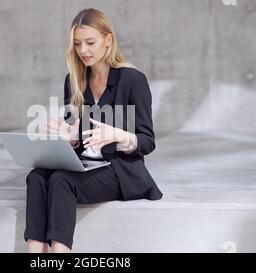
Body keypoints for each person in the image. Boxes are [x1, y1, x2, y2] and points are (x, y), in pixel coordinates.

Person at [24, 8, 163, 253]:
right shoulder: (74, 80)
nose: (83, 50)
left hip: (118, 169)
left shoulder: (133, 80)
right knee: (36, 177)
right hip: (84, 163)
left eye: (90, 42)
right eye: (77, 44)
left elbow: (147, 141)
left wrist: (119, 136)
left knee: (60, 180)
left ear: (108, 41)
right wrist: (68, 139)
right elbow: (73, 134)